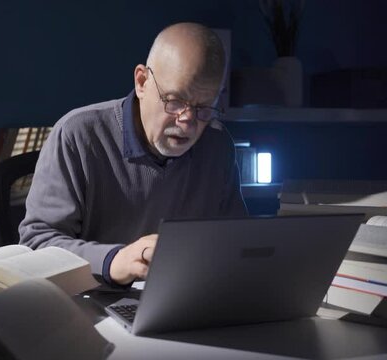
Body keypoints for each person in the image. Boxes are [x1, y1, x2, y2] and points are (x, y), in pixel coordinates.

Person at [19, 22, 247, 286]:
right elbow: (36, 244)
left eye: (204, 107)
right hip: (89, 304)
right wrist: (113, 261)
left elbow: (236, 243)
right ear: (142, 82)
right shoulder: (78, 135)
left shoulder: (217, 145)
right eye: (174, 101)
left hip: (184, 302)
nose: (188, 121)